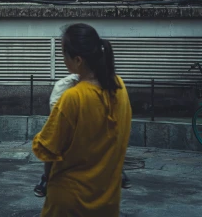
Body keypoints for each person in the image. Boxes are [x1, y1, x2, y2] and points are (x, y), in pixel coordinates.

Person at [32, 23, 132, 217]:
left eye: (64, 55)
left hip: (70, 203)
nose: (63, 60)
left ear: (78, 60)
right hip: (108, 201)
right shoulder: (119, 87)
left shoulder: (73, 97)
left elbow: (47, 149)